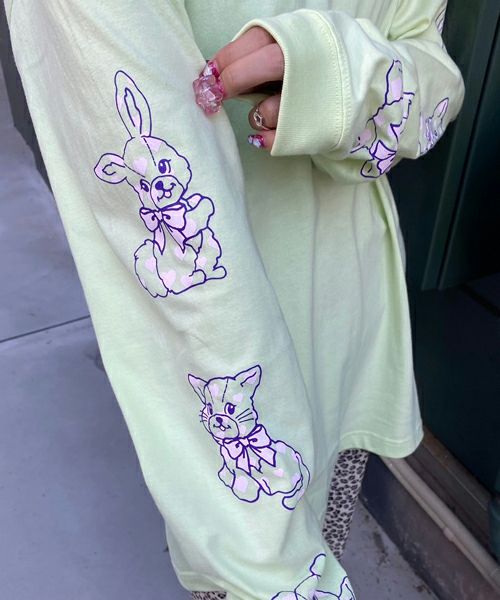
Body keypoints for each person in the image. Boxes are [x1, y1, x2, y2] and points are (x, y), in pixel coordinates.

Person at [4, 0, 464, 598]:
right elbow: (173, 249)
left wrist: (339, 77)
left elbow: (433, 71)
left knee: (330, 517)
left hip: (352, 317)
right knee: (266, 568)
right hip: (231, 366)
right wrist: (280, 569)